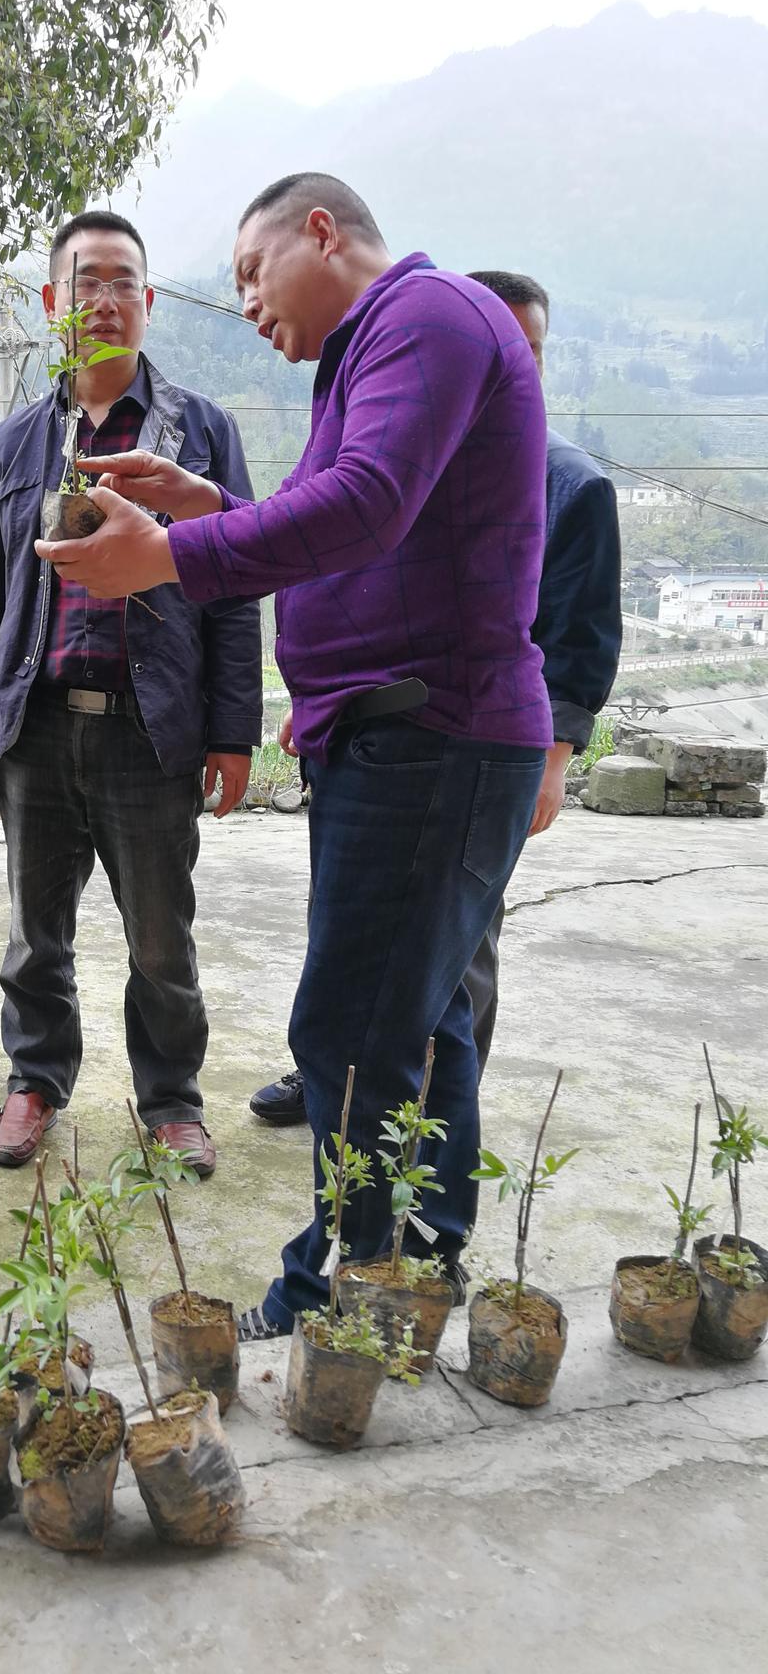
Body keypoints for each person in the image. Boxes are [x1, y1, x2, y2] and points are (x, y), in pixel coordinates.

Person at [35, 175, 551, 1336]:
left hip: (431, 737)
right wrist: (205, 504)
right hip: (409, 734)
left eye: (254, 271)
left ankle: (337, 1291)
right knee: (423, 1017)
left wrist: (168, 555)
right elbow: (359, 520)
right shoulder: (377, 347)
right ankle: (417, 1253)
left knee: (351, 1029)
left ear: (322, 231)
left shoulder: (424, 317)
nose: (249, 303)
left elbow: (361, 507)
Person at [249, 267, 622, 1126]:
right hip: (371, 742)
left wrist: (555, 761)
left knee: (452, 960)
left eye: (527, 357)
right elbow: (360, 588)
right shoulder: (414, 450)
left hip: (469, 742)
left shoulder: (569, 482)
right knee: (358, 944)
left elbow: (578, 640)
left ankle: (430, 1131)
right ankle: (340, 1086)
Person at [0, 210, 263, 1174]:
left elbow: (236, 588)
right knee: (33, 938)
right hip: (37, 731)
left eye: (124, 281)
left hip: (152, 731)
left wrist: (233, 732)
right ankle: (35, 1083)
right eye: (85, 282)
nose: (105, 299)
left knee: (163, 943)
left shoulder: (199, 432)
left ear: (149, 303)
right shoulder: (14, 445)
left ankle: (170, 1100)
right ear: (53, 305)